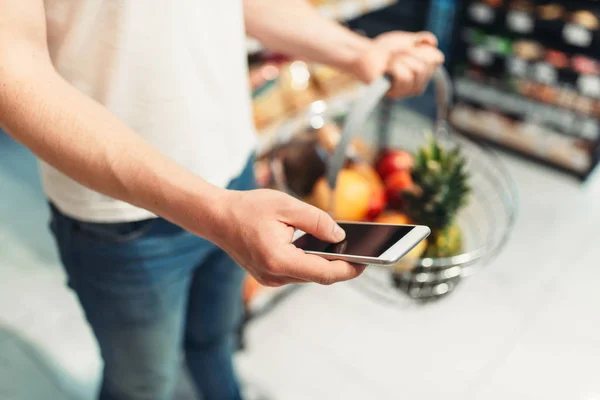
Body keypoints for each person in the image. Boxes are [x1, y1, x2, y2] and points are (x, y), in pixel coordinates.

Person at [0, 1, 444, 399]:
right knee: (143, 383)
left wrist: (357, 52)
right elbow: (13, 74)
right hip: (121, 217)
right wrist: (213, 211)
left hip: (236, 172)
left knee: (215, 341)